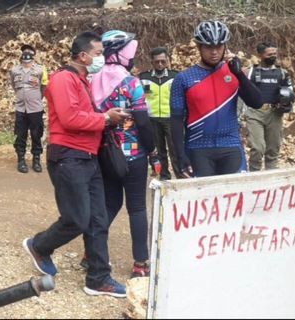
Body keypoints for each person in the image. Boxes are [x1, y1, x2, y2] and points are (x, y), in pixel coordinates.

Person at [22, 31, 129, 298]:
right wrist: (105, 119)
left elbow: (85, 115)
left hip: (87, 157)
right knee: (77, 219)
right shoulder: (62, 79)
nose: (101, 58)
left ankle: (98, 278)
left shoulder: (83, 81)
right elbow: (70, 119)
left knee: (97, 219)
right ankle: (40, 245)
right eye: (97, 53)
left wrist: (109, 118)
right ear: (83, 55)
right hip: (68, 157)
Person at [90, 30, 157, 278]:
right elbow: (143, 122)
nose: (132, 57)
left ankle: (92, 252)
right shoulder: (131, 83)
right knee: (137, 208)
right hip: (134, 155)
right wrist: (153, 150)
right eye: (130, 53)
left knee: (109, 203)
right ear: (120, 54)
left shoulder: (92, 81)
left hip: (104, 153)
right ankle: (141, 264)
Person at [170, 21, 263, 178]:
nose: (214, 52)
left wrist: (239, 74)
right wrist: (180, 156)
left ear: (225, 47)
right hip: (198, 148)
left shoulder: (234, 72)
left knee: (235, 199)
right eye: (208, 47)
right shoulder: (183, 78)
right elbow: (176, 121)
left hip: (230, 145)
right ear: (199, 47)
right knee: (202, 200)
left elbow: (257, 102)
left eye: (219, 46)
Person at [245, 42, 295, 171]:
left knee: (273, 149)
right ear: (261, 55)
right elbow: (243, 92)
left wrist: (287, 105)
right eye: (269, 54)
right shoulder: (251, 72)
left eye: (274, 54)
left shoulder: (282, 73)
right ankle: (254, 177)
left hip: (275, 113)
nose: (273, 56)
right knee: (257, 148)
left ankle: (271, 181)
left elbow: (290, 93)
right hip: (255, 112)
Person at [139, 47, 180, 180]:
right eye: (157, 62)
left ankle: (180, 176)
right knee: (159, 150)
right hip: (152, 119)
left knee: (175, 149)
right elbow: (142, 98)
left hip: (171, 119)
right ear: (152, 62)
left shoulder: (175, 77)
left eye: (163, 61)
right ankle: (164, 176)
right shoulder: (144, 78)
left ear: (168, 60)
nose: (160, 64)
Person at [10, 44, 49, 173]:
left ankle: (36, 159)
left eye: (29, 53)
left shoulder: (39, 70)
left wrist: (36, 98)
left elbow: (44, 87)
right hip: (21, 108)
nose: (27, 55)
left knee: (36, 134)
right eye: (24, 53)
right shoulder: (15, 70)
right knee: (20, 135)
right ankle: (21, 159)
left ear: (33, 57)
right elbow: (14, 86)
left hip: (35, 108)